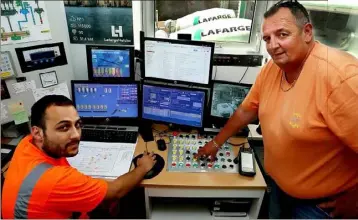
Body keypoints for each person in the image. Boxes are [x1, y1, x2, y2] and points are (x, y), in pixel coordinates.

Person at [196, 0, 357, 218]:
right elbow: (246, 110)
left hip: (318, 206)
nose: (273, 45)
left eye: (282, 34)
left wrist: (354, 200)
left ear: (307, 32)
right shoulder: (271, 68)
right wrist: (216, 142)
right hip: (279, 188)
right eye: (267, 39)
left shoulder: (342, 77)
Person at [2, 95, 156, 218]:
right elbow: (116, 191)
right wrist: (143, 167)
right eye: (63, 127)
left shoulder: (26, 144)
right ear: (37, 132)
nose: (76, 135)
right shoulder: (57, 180)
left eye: (77, 124)